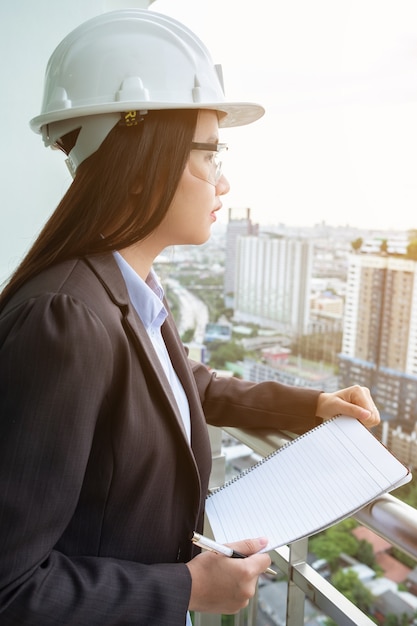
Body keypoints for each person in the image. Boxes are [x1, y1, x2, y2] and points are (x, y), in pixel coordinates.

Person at [0, 9, 380, 626]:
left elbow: (178, 384)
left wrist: (308, 407)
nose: (223, 180)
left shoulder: (122, 287)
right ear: (143, 157)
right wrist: (185, 590)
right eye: (210, 153)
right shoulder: (64, 318)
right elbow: (10, 588)